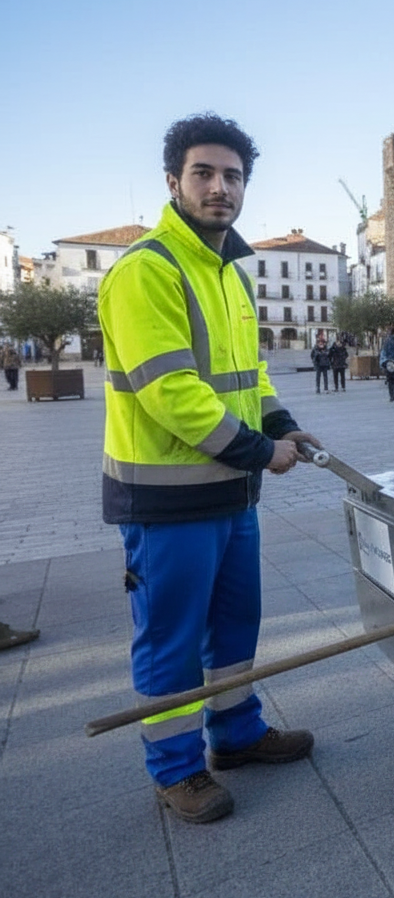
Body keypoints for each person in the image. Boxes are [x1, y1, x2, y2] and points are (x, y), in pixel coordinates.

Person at [98, 113, 321, 825]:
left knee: (233, 628)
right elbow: (171, 392)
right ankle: (176, 770)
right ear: (173, 181)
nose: (219, 187)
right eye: (204, 173)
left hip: (230, 496)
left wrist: (280, 422)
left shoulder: (227, 273)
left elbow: (247, 375)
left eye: (232, 175)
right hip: (166, 501)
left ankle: (236, 733)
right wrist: (261, 451)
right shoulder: (148, 270)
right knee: (169, 640)